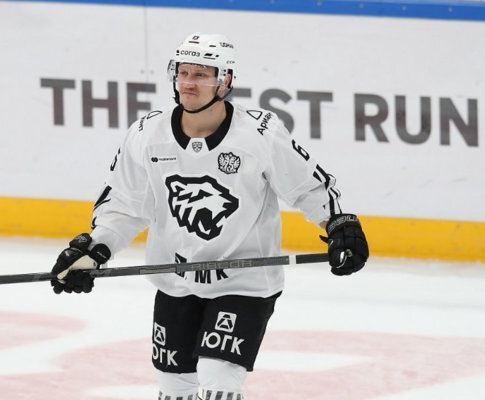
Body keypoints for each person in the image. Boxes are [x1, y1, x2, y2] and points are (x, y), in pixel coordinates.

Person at [50, 32, 369, 400]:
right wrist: (95, 249)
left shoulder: (259, 134)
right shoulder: (146, 134)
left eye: (201, 75)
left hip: (244, 281)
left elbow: (308, 188)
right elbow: (125, 205)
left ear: (225, 80)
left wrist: (339, 224)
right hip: (174, 279)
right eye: (183, 72)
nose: (188, 83)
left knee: (218, 379)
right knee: (174, 388)